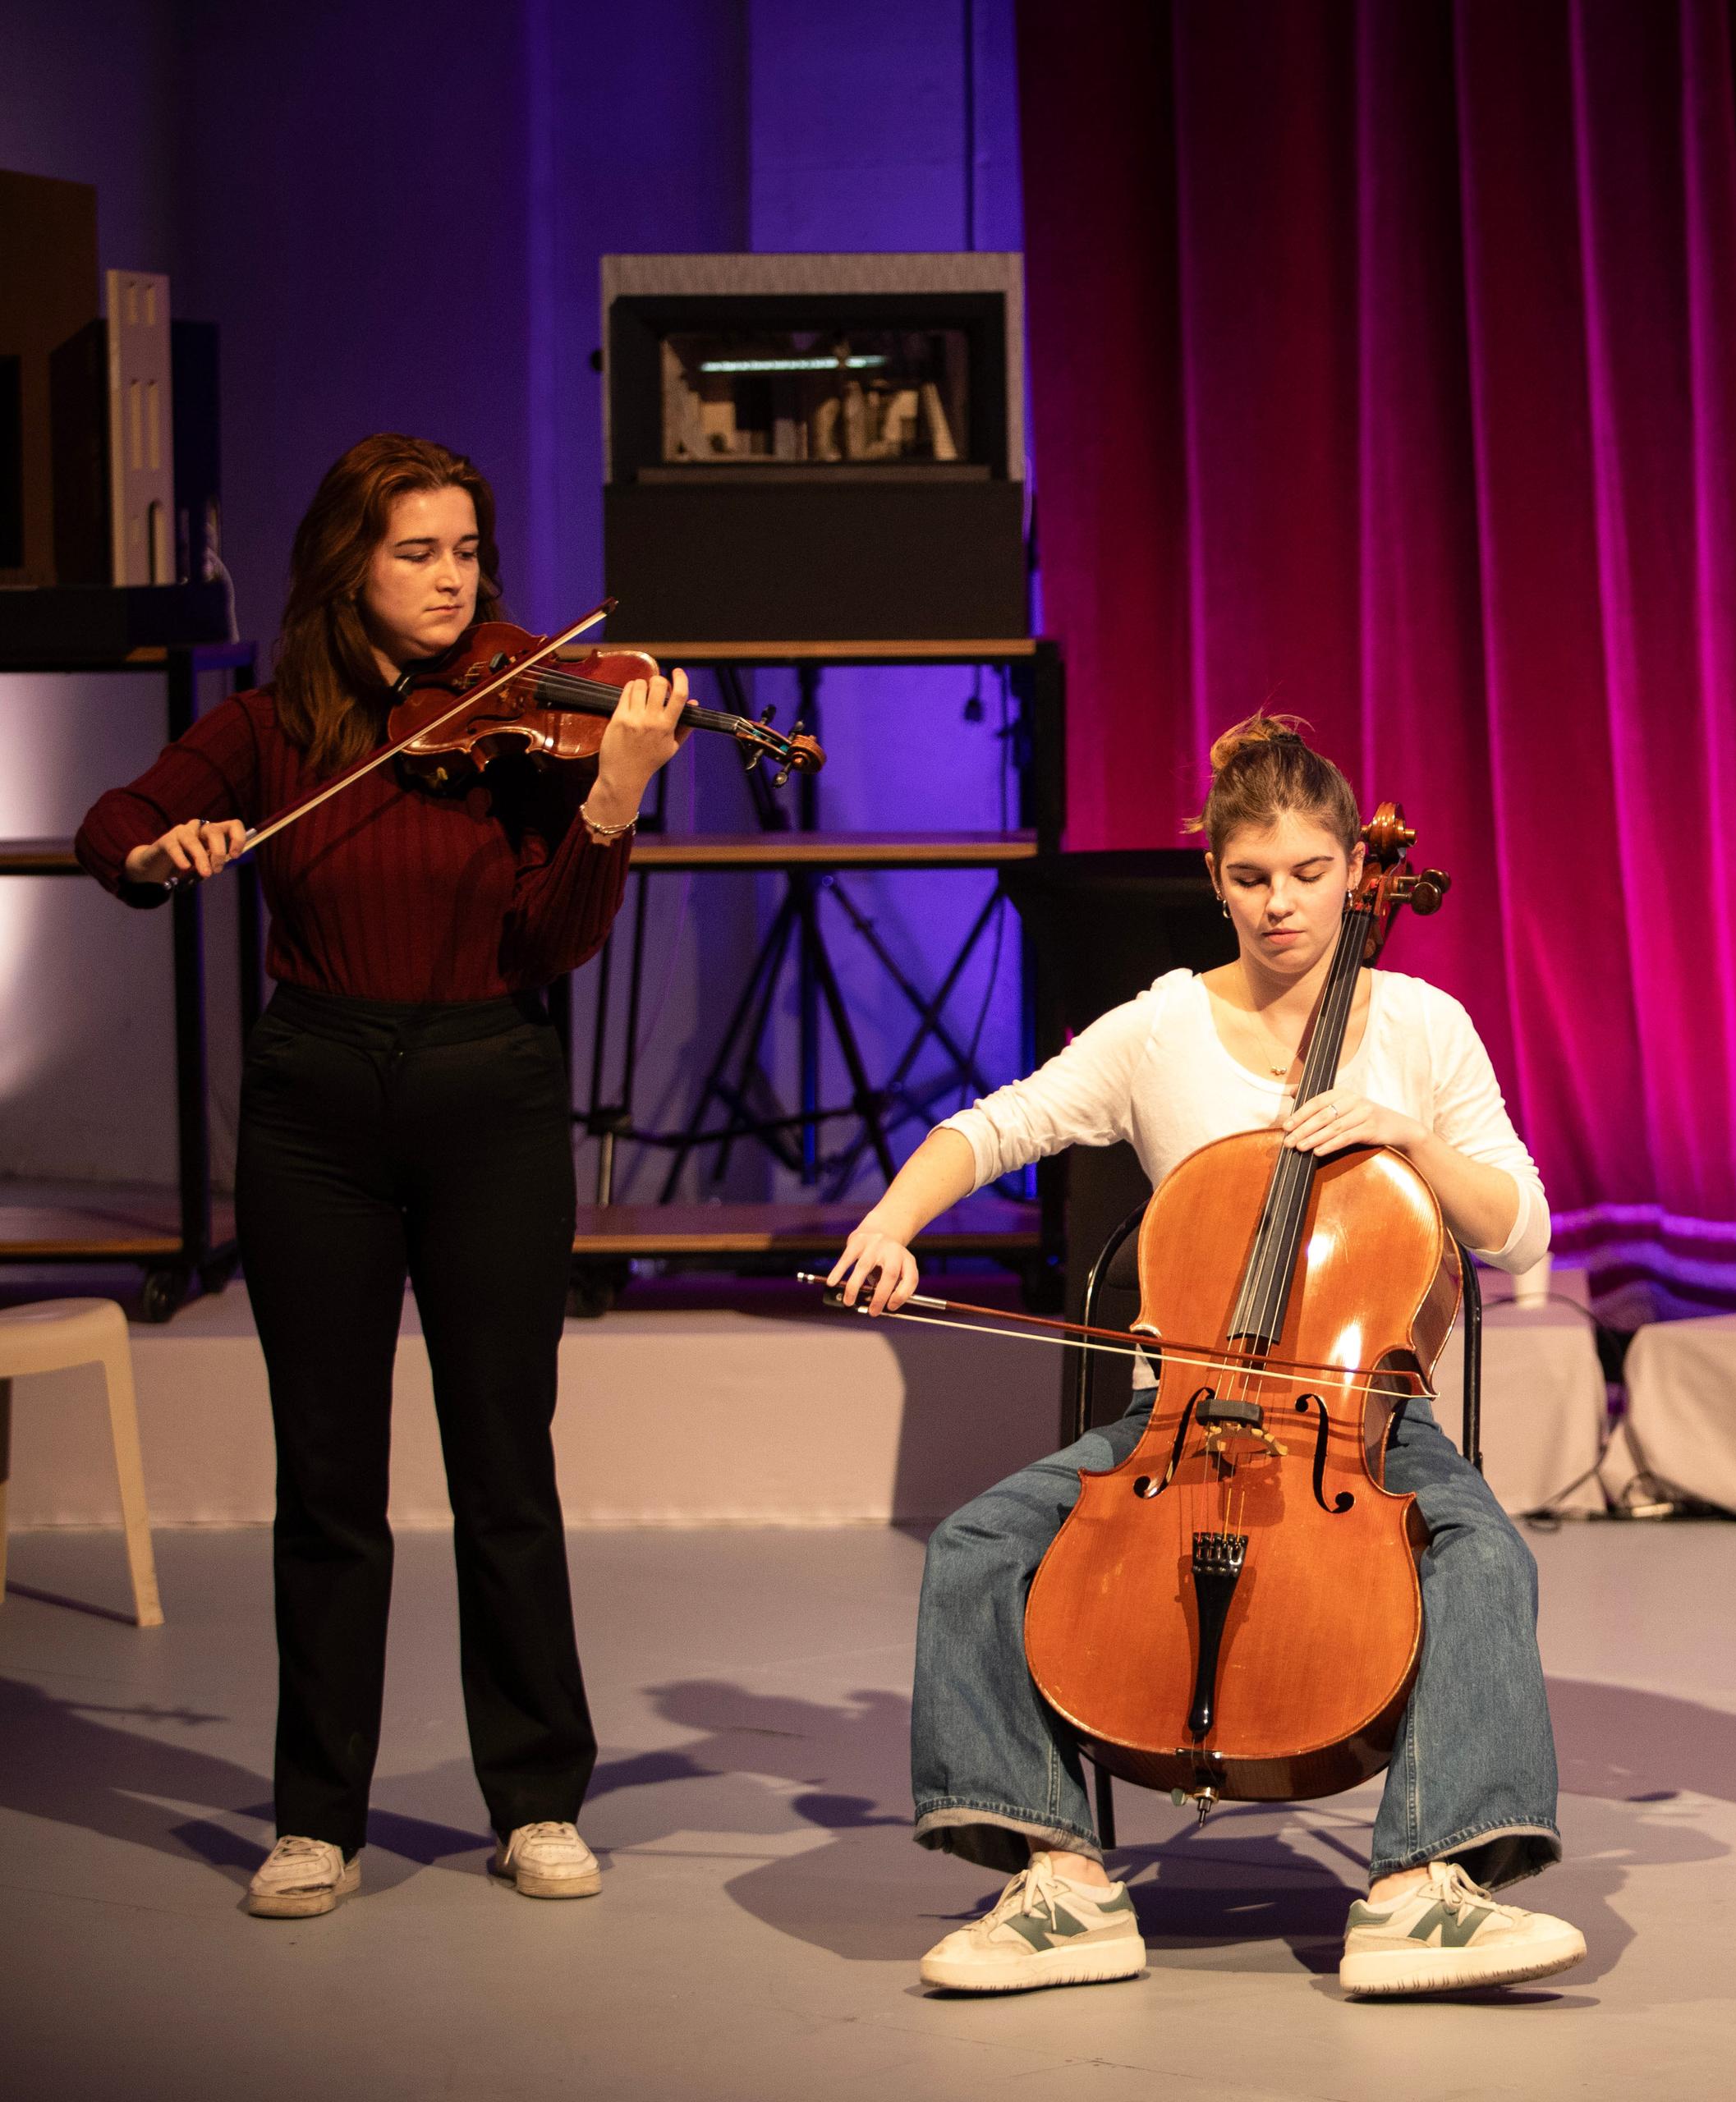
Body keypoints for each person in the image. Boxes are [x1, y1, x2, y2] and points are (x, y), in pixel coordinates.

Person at [828, 714, 1585, 1999]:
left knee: (1486, 1554)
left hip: (1362, 1419)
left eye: (1306, 873)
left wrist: (1404, 1140)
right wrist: (892, 1223)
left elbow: (1521, 1233)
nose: (1281, 906)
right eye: (1250, 878)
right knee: (973, 1548)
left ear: (1357, 866)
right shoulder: (1160, 1029)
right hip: (1174, 1412)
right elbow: (993, 1127)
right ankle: (1058, 1879)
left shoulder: (1419, 1023)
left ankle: (1420, 1888)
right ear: (1214, 880)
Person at [74, 432, 694, 1919]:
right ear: (348, 564)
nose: (452, 583)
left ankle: (538, 1798)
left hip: (489, 1089)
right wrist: (166, 855)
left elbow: (550, 946)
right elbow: (112, 827)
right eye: (418, 553)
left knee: (504, 1463)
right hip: (315, 1109)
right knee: (330, 1477)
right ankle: (317, 1819)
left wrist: (610, 801)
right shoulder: (271, 724)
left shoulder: (534, 716)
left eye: (467, 553)